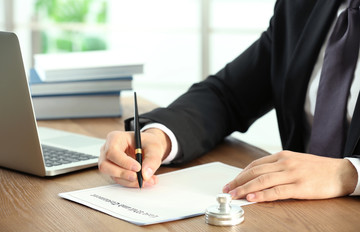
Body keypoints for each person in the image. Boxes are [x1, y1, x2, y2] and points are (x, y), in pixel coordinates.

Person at [98, 0, 360, 202]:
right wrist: (160, 136)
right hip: (296, 216)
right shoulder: (301, 6)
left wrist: (347, 175)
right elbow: (228, 95)